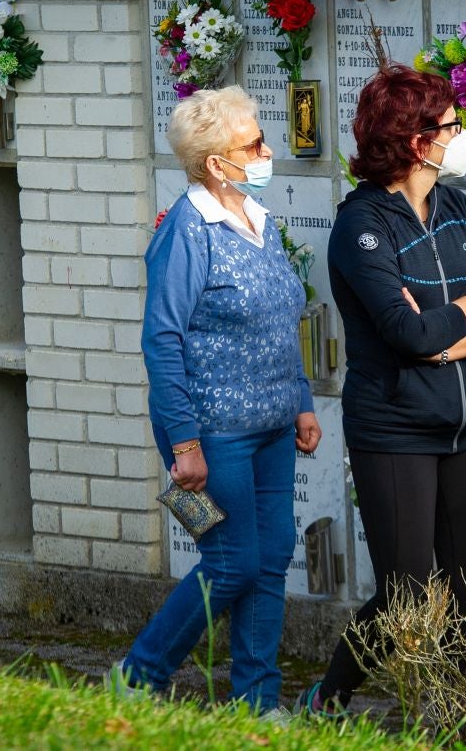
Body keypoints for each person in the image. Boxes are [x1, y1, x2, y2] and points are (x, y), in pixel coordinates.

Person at [302, 64, 466, 716]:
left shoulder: (459, 209)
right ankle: (330, 695)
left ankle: (464, 713)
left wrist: (455, 330)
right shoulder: (363, 226)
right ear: (413, 140)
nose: (464, 135)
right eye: (452, 125)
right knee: (405, 593)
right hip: (395, 432)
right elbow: (405, 332)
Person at [112, 85, 322, 714]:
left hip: (273, 424)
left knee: (272, 556)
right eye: (252, 144)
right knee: (231, 562)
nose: (267, 151)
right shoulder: (187, 231)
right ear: (215, 163)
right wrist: (183, 441)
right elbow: (162, 340)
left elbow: (283, 319)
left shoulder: (261, 221)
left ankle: (257, 702)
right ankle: (138, 676)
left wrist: (303, 400)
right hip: (214, 431)